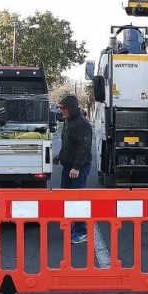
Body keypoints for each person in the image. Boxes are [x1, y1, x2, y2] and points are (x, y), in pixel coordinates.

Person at [53, 95, 92, 244]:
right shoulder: (69, 122)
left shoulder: (81, 124)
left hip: (78, 168)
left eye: (63, 108)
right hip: (69, 166)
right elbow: (68, 144)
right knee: (66, 197)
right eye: (60, 108)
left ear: (71, 108)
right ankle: (72, 225)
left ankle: (81, 230)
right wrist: (60, 156)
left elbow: (83, 147)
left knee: (76, 198)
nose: (61, 111)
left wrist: (76, 167)